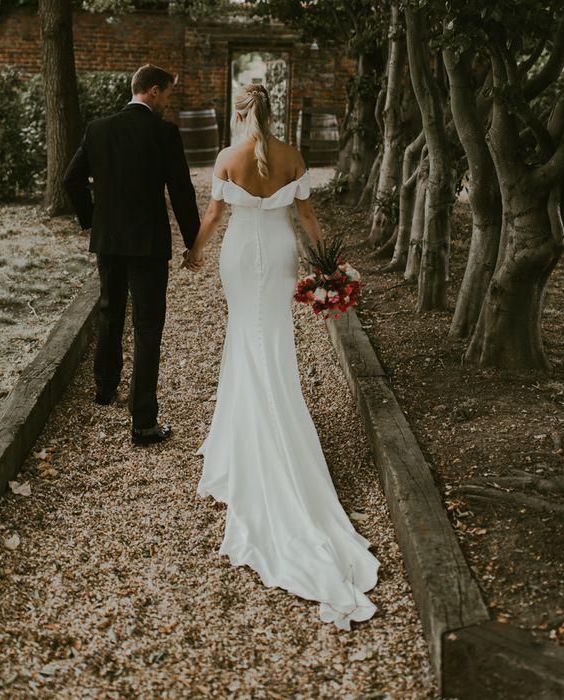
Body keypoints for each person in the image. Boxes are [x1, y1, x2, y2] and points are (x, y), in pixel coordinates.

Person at [183, 85, 380, 629]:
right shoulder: (294, 155)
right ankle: (271, 420)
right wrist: (327, 264)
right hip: (282, 251)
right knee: (274, 341)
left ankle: (243, 432)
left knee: (245, 334)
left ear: (240, 113)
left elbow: (215, 217)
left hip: (241, 254)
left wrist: (194, 252)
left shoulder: (226, 157)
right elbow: (310, 219)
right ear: (276, 113)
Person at [65, 64, 200, 446]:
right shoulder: (164, 133)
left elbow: (71, 179)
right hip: (148, 246)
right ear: (154, 91)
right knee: (147, 326)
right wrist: (194, 241)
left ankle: (105, 388)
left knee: (110, 311)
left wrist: (92, 219)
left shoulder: (98, 129)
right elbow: (181, 191)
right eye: (168, 95)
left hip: (108, 241)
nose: (168, 104)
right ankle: (143, 422)